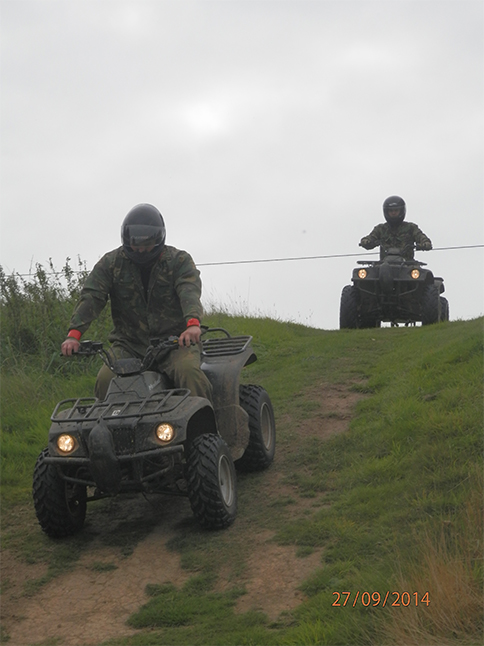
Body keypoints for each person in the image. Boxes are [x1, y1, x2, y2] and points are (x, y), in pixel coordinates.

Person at [61, 203, 213, 402]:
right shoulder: (111, 264)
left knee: (189, 374)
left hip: (175, 343)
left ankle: (208, 428)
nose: (141, 248)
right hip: (130, 345)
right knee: (105, 379)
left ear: (159, 238)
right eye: (135, 243)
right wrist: (74, 335)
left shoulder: (179, 261)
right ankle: (106, 429)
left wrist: (192, 324)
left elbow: (189, 290)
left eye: (147, 243)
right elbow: (92, 296)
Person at [359, 195, 432, 260]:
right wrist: (366, 242)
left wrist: (425, 244)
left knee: (423, 274)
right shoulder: (381, 229)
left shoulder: (411, 228)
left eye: (396, 210)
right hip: (384, 266)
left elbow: (422, 238)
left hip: (407, 266)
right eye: (391, 211)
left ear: (401, 211)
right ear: (386, 212)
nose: (393, 213)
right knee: (364, 274)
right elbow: (369, 238)